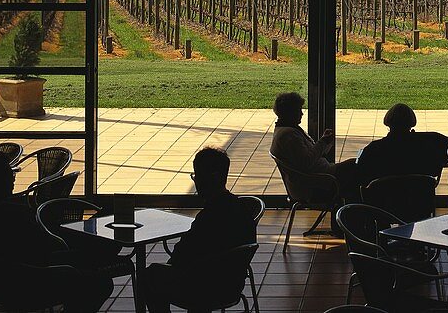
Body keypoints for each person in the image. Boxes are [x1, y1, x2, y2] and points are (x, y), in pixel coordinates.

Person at [0, 151, 112, 313]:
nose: (14, 178)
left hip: (8, 280)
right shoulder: (10, 214)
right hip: (32, 281)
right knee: (100, 279)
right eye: (9, 174)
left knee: (89, 258)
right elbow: (45, 244)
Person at [144, 147, 256, 313]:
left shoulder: (210, 216)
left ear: (211, 177)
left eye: (198, 175)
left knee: (150, 276)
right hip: (231, 284)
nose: (195, 181)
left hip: (204, 288)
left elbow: (182, 255)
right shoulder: (241, 210)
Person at [269, 91, 359, 199]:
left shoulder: (284, 131)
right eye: (299, 110)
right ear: (290, 113)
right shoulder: (289, 135)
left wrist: (324, 143)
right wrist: (322, 142)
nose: (302, 114)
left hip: (316, 178)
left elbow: (307, 157)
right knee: (357, 166)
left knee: (355, 166)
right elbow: (307, 162)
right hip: (317, 183)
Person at [356, 103, 448, 186]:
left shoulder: (374, 149)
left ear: (388, 122)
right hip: (417, 200)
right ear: (411, 123)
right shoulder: (424, 148)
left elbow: (361, 174)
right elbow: (436, 169)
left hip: (383, 201)